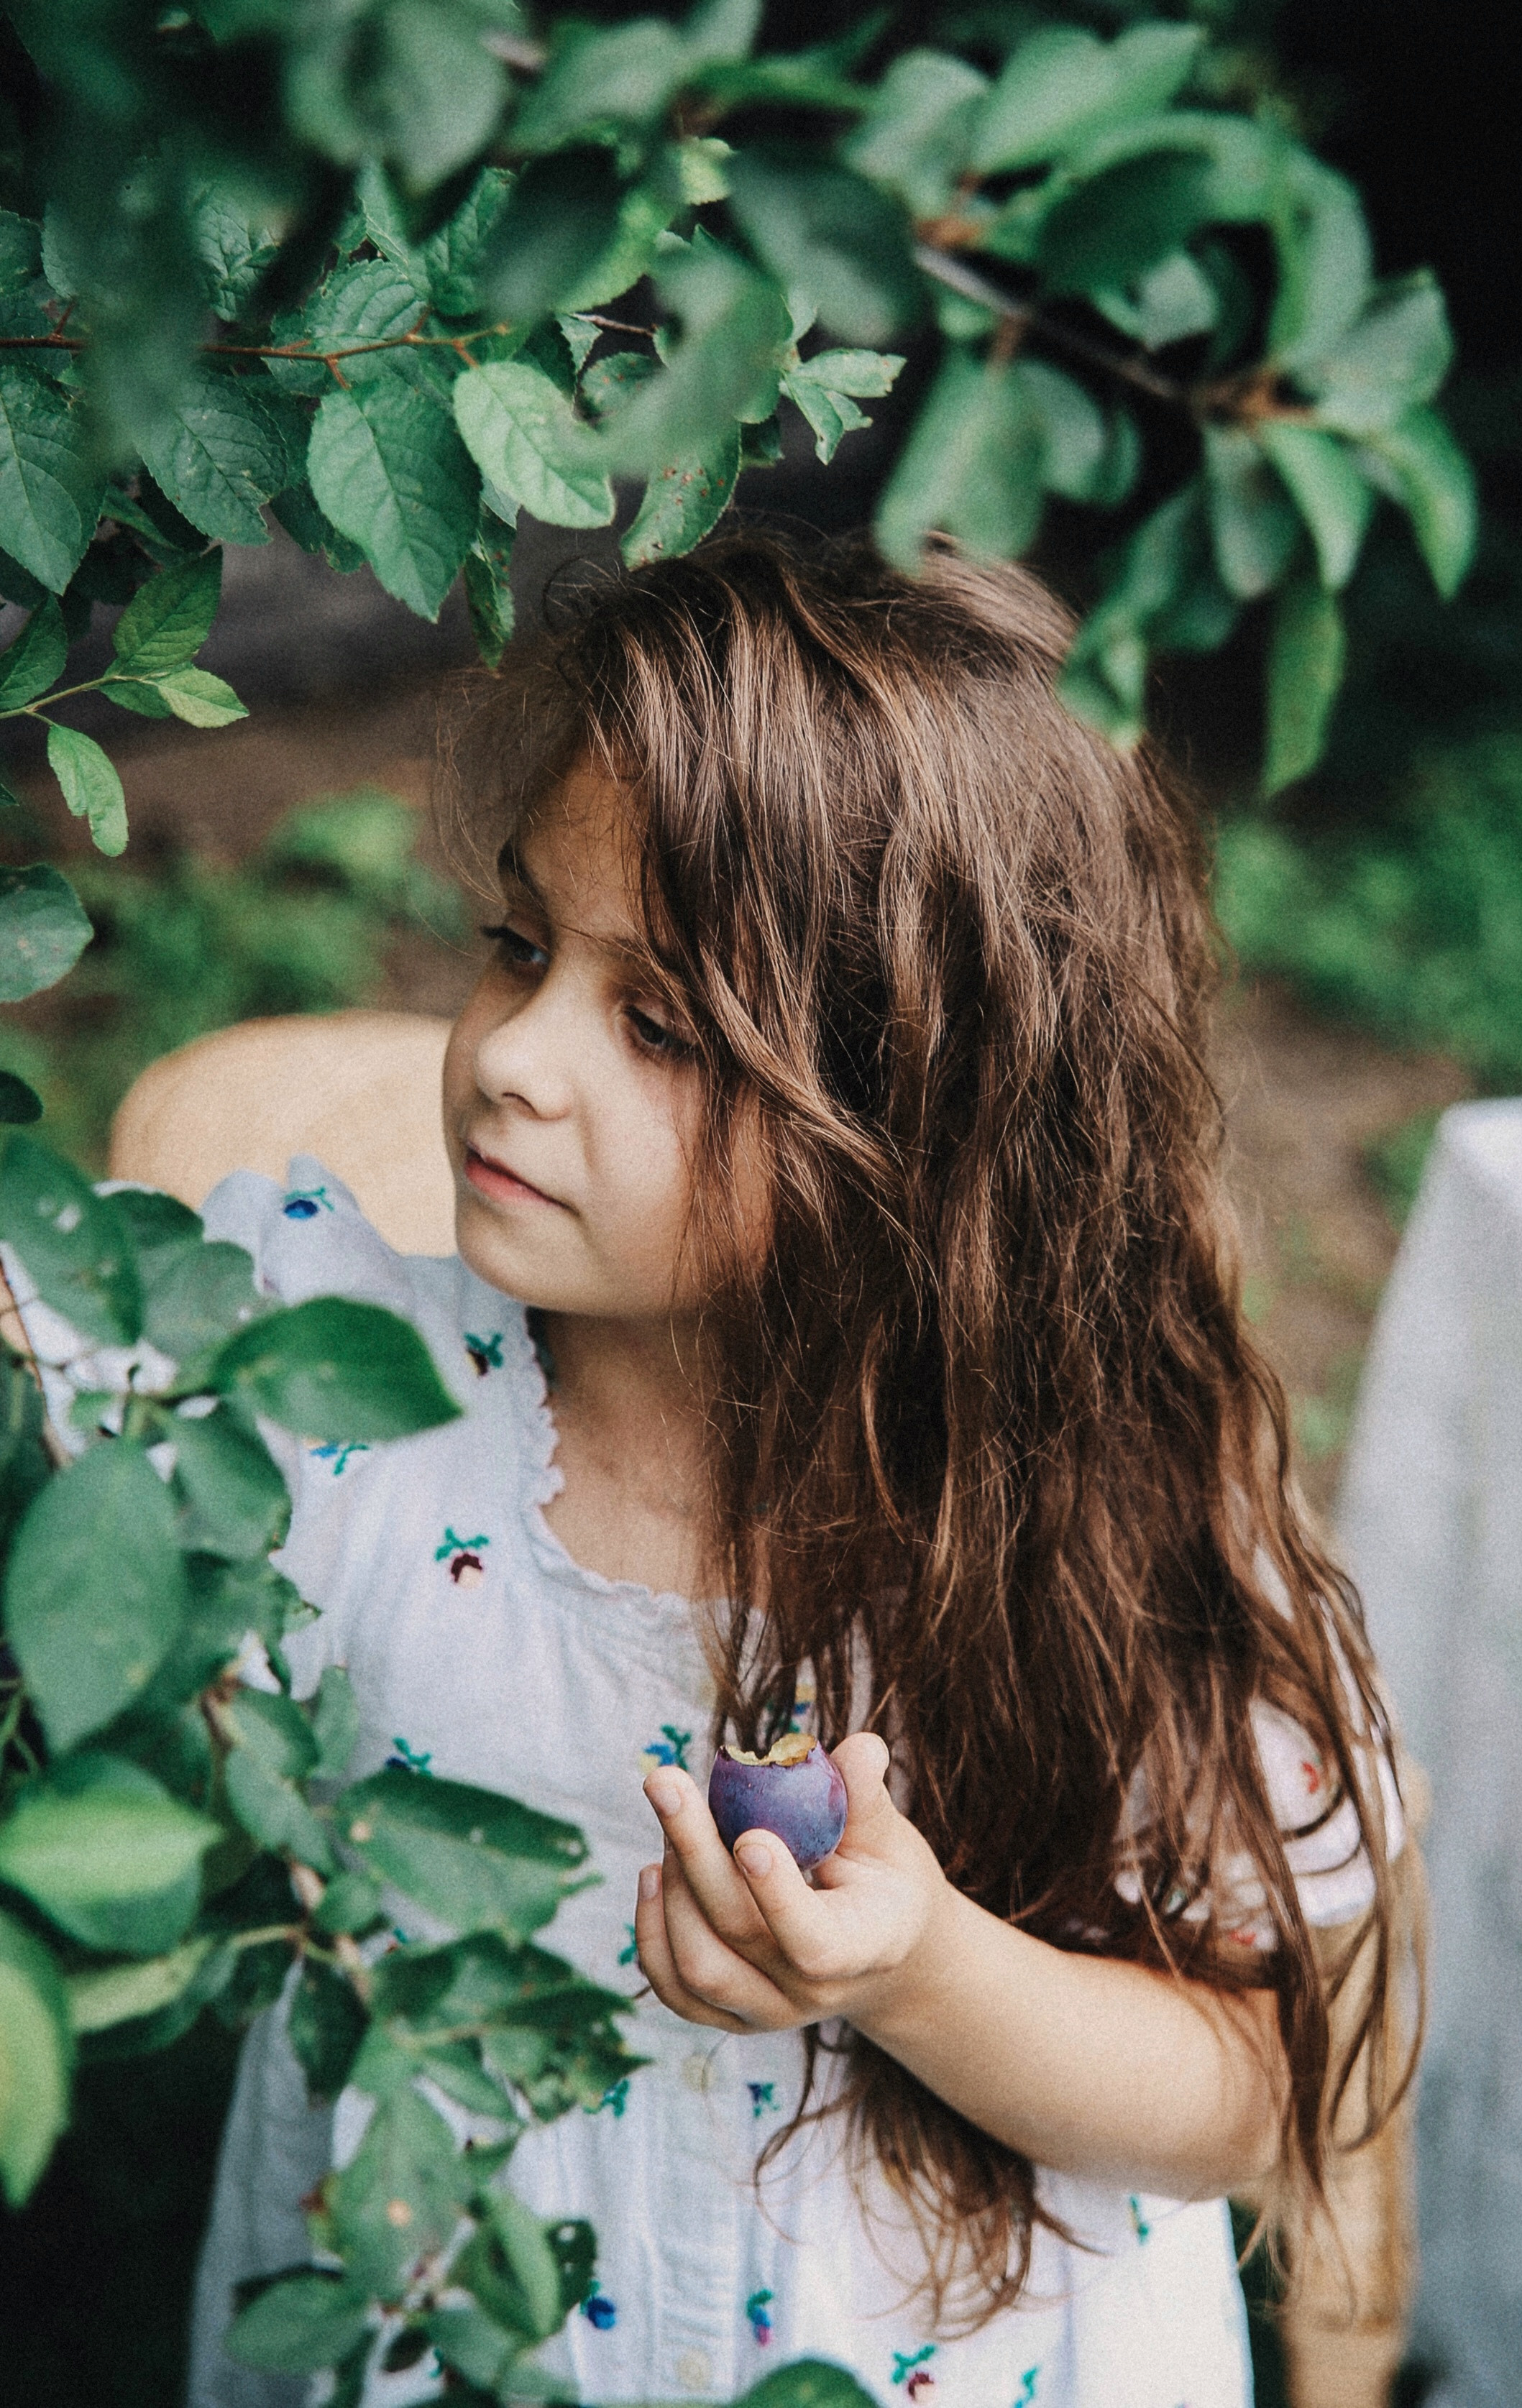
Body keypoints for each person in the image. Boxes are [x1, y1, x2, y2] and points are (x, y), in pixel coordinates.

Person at [185, 530, 1419, 2408]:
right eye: (519, 944)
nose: (515, 1056)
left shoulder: (1100, 1527)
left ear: (919, 1121)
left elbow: (1247, 2100)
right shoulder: (328, 1386)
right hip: (447, 2304)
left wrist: (920, 1970)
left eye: (660, 1023)